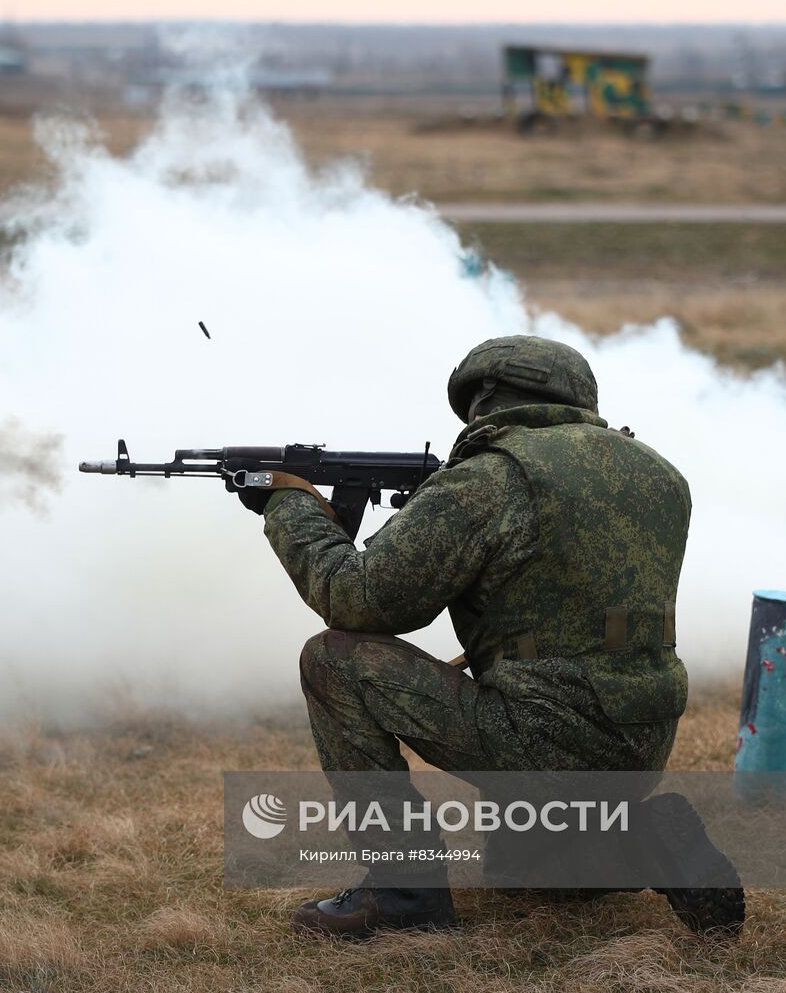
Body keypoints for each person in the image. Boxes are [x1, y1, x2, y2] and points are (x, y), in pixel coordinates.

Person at [238, 335, 743, 941]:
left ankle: (404, 892)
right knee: (519, 867)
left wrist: (289, 505)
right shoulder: (659, 475)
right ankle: (647, 837)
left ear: (484, 398)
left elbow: (356, 598)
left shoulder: (493, 478)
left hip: (544, 737)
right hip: (640, 738)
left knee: (333, 660)